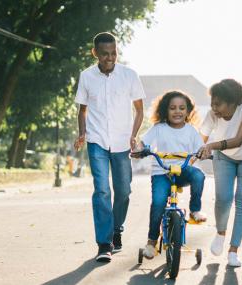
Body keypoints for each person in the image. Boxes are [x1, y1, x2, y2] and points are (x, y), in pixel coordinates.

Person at [74, 32, 146, 262]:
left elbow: (140, 110)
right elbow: (82, 110)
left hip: (122, 142)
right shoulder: (86, 76)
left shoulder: (129, 75)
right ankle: (104, 243)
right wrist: (82, 133)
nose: (110, 58)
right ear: (95, 53)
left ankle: (117, 230)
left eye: (113, 53)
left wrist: (134, 135)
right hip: (96, 141)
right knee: (102, 190)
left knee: (123, 191)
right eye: (104, 54)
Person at [132, 91, 206, 260]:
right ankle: (151, 242)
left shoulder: (191, 131)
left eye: (182, 108)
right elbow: (143, 143)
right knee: (158, 203)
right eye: (172, 108)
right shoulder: (159, 128)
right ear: (166, 110)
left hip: (182, 171)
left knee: (198, 176)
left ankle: (195, 210)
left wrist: (205, 152)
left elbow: (201, 147)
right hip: (162, 172)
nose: (177, 111)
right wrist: (139, 150)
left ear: (188, 112)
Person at [197, 79, 242, 267]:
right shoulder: (213, 115)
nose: (214, 108)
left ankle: (233, 251)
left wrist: (211, 146)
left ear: (233, 102)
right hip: (224, 158)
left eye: (218, 104)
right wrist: (189, 159)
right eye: (212, 103)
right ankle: (220, 233)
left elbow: (239, 140)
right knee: (223, 197)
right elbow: (198, 141)